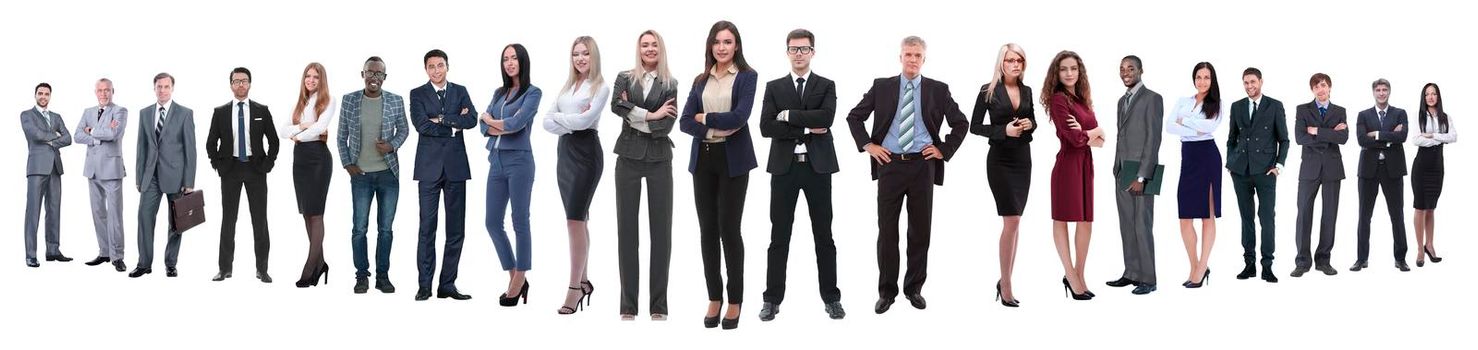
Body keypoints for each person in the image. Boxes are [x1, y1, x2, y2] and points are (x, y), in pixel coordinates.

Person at [845, 36, 969, 314]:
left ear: (924, 59)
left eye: (917, 55)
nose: (912, 59)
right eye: (908, 54)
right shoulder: (882, 87)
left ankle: (914, 288)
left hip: (922, 166)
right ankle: (887, 292)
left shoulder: (938, 90)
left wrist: (943, 149)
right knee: (887, 231)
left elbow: (961, 123)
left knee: (920, 230)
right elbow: (854, 117)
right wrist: (868, 145)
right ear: (899, 57)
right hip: (889, 164)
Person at [758, 29, 844, 320]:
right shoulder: (773, 87)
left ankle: (831, 298)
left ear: (812, 52)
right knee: (779, 235)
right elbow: (766, 127)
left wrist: (788, 115)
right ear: (787, 52)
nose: (798, 53)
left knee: (824, 235)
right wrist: (807, 127)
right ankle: (771, 299)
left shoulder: (826, 85)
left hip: (818, 168)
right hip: (784, 169)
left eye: (804, 49)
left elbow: (827, 118)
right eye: (794, 49)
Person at [679, 20, 759, 330]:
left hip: (733, 161)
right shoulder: (701, 80)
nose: (722, 47)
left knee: (729, 228)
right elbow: (685, 121)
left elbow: (740, 117)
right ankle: (714, 296)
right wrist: (713, 126)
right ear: (710, 46)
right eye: (717, 42)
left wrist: (705, 117)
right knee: (707, 230)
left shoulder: (747, 77)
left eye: (727, 42)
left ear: (736, 45)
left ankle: (735, 299)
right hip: (704, 160)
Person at [610, 29, 679, 321]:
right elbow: (616, 105)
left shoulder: (671, 82)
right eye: (644, 45)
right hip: (628, 159)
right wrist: (651, 114)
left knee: (660, 233)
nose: (649, 49)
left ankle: (658, 306)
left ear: (660, 49)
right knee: (627, 232)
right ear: (638, 50)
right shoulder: (624, 77)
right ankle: (628, 305)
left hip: (659, 160)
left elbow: (667, 126)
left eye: (654, 45)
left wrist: (633, 113)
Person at [543, 36, 610, 315]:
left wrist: (563, 120)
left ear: (594, 57)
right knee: (579, 221)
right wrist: (567, 121)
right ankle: (583, 281)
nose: (580, 58)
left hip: (586, 155)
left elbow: (585, 122)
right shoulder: (568, 87)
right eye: (576, 54)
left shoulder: (601, 87)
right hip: (565, 155)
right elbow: (546, 121)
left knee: (574, 219)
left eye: (585, 54)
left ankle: (573, 288)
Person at [969, 43, 1037, 305]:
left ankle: (1005, 278)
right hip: (999, 161)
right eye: (1010, 60)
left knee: (1016, 221)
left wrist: (1030, 125)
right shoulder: (988, 91)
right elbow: (974, 127)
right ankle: (1006, 283)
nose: (1015, 64)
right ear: (1001, 63)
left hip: (1023, 160)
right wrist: (1002, 131)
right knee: (1011, 221)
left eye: (1019, 59)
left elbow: (1032, 123)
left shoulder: (1027, 90)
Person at [409, 49, 478, 301]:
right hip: (428, 169)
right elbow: (421, 125)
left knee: (456, 229)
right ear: (425, 69)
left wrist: (440, 119)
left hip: (456, 168)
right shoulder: (417, 94)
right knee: (427, 228)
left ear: (447, 66)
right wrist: (452, 124)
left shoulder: (460, 91)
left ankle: (447, 285)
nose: (436, 70)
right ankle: (424, 285)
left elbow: (471, 119)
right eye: (431, 67)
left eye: (440, 65)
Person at [337, 56, 410, 293]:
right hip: (360, 175)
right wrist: (348, 164)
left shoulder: (395, 101)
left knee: (385, 229)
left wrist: (392, 145)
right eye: (370, 72)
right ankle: (361, 276)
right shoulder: (349, 100)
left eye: (379, 74)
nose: (374, 77)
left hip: (389, 174)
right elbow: (341, 137)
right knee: (359, 228)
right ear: (363, 74)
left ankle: (383, 276)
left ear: (385, 78)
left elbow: (404, 129)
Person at [481, 43, 543, 307]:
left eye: (514, 58)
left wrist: (492, 120)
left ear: (522, 61)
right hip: (496, 161)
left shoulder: (533, 92)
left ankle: (520, 278)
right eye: (505, 59)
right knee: (492, 222)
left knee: (520, 220)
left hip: (520, 161)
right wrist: (496, 125)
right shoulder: (499, 92)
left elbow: (518, 124)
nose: (509, 63)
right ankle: (513, 274)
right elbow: (481, 126)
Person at [205, 67, 280, 283]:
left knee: (260, 220)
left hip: (256, 170)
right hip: (230, 170)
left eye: (244, 81)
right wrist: (217, 165)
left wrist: (268, 164)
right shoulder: (220, 112)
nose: (240, 84)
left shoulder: (261, 110)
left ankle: (262, 269)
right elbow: (211, 143)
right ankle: (224, 268)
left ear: (250, 84)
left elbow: (274, 141)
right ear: (230, 85)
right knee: (228, 220)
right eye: (236, 81)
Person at [1042, 50, 1105, 300]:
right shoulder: (1059, 100)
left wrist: (1090, 133)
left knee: (1086, 220)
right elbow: (1075, 138)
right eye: (1064, 69)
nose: (1069, 73)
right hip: (1067, 164)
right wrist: (1095, 131)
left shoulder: (1082, 100)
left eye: (1074, 69)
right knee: (1063, 219)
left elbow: (1100, 142)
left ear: (1080, 73)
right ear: (1057, 74)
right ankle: (1070, 273)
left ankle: (1079, 274)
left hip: (1086, 165)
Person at [131, 73, 197, 279]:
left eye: (166, 87)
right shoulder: (144, 113)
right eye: (159, 87)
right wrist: (139, 177)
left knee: (176, 223)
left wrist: (189, 182)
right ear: (154, 88)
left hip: (176, 178)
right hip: (150, 176)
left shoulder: (184, 113)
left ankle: (170, 263)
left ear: (172, 88)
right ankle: (144, 264)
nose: (162, 90)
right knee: (144, 218)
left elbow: (190, 150)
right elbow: (141, 147)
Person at [1106, 55, 1163, 295]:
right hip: (1122, 169)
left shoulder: (1153, 98)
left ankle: (1149, 279)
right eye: (1122, 68)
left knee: (1142, 225)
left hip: (1141, 171)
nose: (1125, 72)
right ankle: (1131, 273)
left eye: (1130, 68)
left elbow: (1154, 139)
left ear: (1141, 70)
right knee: (1126, 225)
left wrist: (1142, 176)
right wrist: (1117, 166)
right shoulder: (1121, 101)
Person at [1225, 67, 1288, 283]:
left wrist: (1278, 165)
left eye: (1252, 82)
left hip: (1266, 171)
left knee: (1267, 218)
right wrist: (1230, 163)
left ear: (1261, 81)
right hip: (1240, 170)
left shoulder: (1275, 105)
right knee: (1246, 218)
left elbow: (1284, 140)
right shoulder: (1237, 106)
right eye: (1245, 82)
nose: (1249, 86)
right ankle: (1249, 264)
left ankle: (1267, 265)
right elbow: (1231, 137)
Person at [1166, 62, 1225, 288]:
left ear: (1213, 80)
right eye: (1198, 77)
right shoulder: (1183, 101)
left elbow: (1210, 128)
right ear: (1194, 79)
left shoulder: (1217, 103)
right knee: (1185, 218)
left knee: (1207, 216)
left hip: (1208, 157)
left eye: (1206, 77)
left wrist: (1185, 121)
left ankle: (1201, 268)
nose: (1202, 81)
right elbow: (1169, 126)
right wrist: (1194, 127)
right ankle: (1194, 265)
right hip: (1188, 158)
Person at [279, 63, 335, 288]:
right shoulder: (301, 102)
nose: (311, 80)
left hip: (318, 159)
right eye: (308, 76)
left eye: (316, 77)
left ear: (322, 80)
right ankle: (320, 263)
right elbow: (283, 131)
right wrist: (302, 125)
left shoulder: (329, 100)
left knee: (317, 214)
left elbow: (320, 128)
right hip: (300, 160)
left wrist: (299, 133)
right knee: (306, 213)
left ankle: (309, 268)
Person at [1291, 73, 1348, 278]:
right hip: (1309, 169)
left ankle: (1324, 260)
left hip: (1333, 169)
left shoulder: (1340, 111)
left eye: (1323, 85)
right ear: (1312, 90)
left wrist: (1316, 131)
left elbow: (1343, 138)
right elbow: (1299, 138)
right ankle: (1302, 261)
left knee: (1329, 215)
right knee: (1304, 214)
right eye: (1316, 87)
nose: (1320, 90)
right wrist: (1329, 133)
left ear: (1330, 87)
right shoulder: (1303, 109)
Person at [1352, 79, 1410, 272]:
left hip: (1393, 170)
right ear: (1373, 93)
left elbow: (1402, 137)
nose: (1382, 93)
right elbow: (1361, 140)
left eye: (1385, 90)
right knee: (1364, 216)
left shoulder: (1400, 113)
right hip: (1368, 170)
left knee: (1397, 215)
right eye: (1378, 90)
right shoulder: (1363, 115)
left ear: (1389, 92)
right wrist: (1387, 138)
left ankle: (1400, 258)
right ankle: (1361, 259)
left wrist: (1375, 134)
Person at [76, 78, 130, 272]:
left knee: (115, 215)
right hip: (92, 170)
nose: (104, 94)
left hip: (112, 170)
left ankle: (118, 256)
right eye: (100, 90)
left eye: (107, 90)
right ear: (95, 92)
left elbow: (114, 134)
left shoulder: (120, 111)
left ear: (113, 91)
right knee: (98, 213)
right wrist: (99, 135)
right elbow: (77, 136)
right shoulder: (87, 112)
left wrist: (91, 131)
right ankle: (104, 252)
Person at [21, 82, 73, 267]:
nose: (43, 96)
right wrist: (55, 137)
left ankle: (53, 250)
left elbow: (68, 138)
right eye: (40, 93)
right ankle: (31, 254)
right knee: (33, 212)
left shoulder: (56, 116)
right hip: (36, 169)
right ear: (35, 95)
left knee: (54, 210)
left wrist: (52, 141)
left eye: (47, 94)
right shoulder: (27, 115)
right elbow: (34, 134)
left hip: (55, 168)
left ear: (50, 96)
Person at [1411, 83, 1454, 267]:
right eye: (1427, 94)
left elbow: (1453, 136)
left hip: (1437, 167)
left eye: (1433, 93)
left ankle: (1430, 244)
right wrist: (1436, 138)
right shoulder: (1419, 116)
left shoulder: (1445, 117)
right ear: (1424, 97)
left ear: (1438, 96)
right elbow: (1416, 139)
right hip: (1421, 167)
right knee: (1420, 207)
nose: (1430, 97)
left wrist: (1431, 135)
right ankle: (1420, 249)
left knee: (1431, 207)